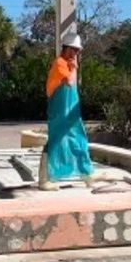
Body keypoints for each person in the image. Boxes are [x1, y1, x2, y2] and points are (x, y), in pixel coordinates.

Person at [39, 33, 93, 190]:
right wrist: (75, 68)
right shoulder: (60, 63)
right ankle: (43, 180)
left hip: (69, 112)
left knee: (78, 138)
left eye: (77, 51)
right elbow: (69, 82)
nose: (76, 53)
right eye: (74, 50)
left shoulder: (67, 65)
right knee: (55, 141)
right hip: (59, 111)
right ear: (66, 48)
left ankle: (86, 173)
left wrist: (73, 67)